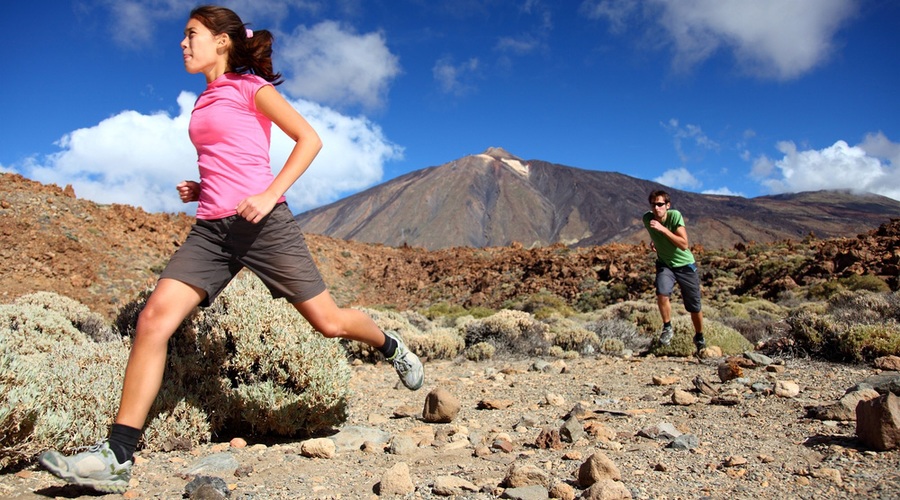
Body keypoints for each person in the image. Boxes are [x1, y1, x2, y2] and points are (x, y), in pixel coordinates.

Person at [39, 5, 423, 493]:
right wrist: (204, 188)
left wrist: (268, 194)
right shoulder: (202, 101)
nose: (182, 43)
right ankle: (117, 455)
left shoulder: (251, 88)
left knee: (328, 323)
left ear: (222, 41)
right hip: (211, 233)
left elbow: (309, 139)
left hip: (263, 225)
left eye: (191, 34)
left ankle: (391, 345)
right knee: (153, 319)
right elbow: (232, 156)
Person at [642, 190, 705, 352]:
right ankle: (668, 327)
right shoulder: (647, 218)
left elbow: (684, 244)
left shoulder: (675, 216)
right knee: (662, 293)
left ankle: (699, 336)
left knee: (694, 306)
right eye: (654, 204)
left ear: (667, 206)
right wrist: (654, 241)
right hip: (665, 264)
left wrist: (663, 230)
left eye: (660, 204)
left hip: (685, 265)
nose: (657, 208)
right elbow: (656, 235)